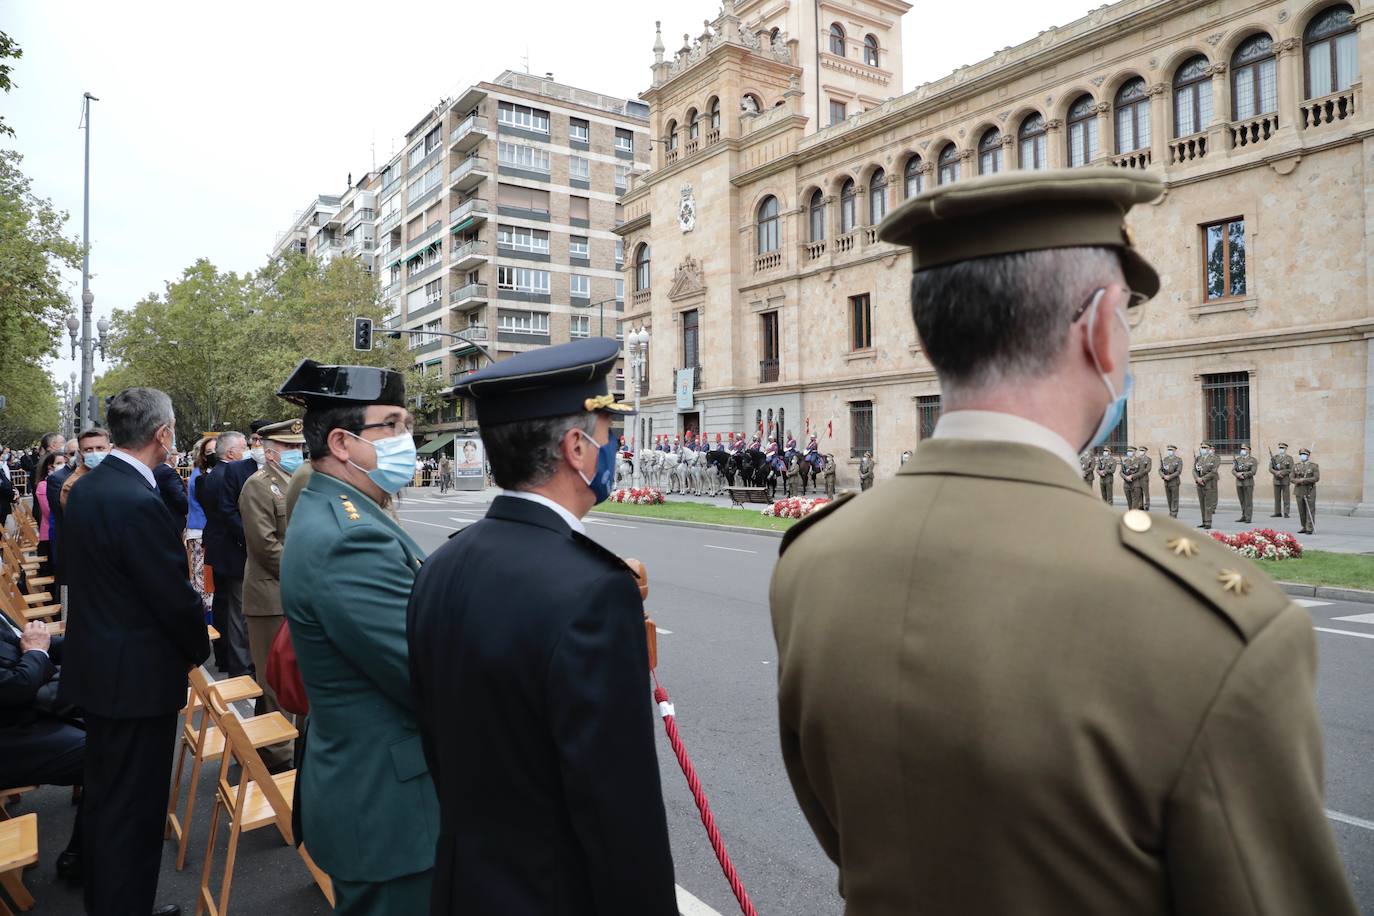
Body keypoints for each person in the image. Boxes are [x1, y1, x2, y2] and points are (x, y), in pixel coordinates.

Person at [769, 168, 1357, 914]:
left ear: (926, 336)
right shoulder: (1218, 630)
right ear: (1102, 330)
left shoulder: (811, 560)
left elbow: (837, 823)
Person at [408, 338, 676, 916]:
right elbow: (618, 811)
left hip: (463, 888)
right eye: (608, 436)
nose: (615, 451)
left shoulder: (440, 566)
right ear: (576, 449)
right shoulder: (595, 592)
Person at [277, 359, 437, 914]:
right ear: (343, 443)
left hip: (376, 794)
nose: (406, 439)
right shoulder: (350, 537)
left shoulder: (345, 510)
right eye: (391, 424)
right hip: (390, 812)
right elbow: (427, 675)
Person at [60, 387, 210, 916]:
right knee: (134, 812)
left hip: (103, 672)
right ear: (163, 433)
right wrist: (198, 649)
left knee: (108, 802)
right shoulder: (136, 500)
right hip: (136, 682)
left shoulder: (92, 488)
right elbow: (172, 599)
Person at [237, 418, 305, 771]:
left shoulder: (299, 482)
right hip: (270, 596)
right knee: (274, 681)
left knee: (293, 676)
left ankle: (264, 747)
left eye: (298, 447)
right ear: (269, 450)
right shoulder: (258, 486)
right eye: (289, 447)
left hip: (294, 593)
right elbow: (264, 545)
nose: (296, 453)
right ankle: (281, 759)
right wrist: (303, 573)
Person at [0, 617, 84, 881]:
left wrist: (96, 639)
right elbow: (14, 686)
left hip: (21, 713)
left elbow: (17, 643)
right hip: (10, 733)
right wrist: (37, 650)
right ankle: (87, 862)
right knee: (110, 754)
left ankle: (84, 855)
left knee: (113, 722)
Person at [199, 431, 255, 677]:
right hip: (233, 551)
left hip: (218, 550)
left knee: (224, 607)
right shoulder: (230, 475)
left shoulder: (211, 476)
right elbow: (231, 515)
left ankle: (224, 657)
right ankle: (240, 666)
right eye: (244, 447)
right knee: (237, 612)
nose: (249, 451)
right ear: (231, 453)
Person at [185, 437, 217, 621]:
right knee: (203, 582)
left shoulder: (199, 474)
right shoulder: (200, 477)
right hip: (200, 532)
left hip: (199, 531)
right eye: (209, 452)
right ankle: (204, 621)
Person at [60, 427, 112, 511]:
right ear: (80, 453)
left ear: (110, 449)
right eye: (88, 450)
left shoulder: (119, 473)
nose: (95, 453)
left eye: (100, 448)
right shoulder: (73, 485)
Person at [153, 450, 188, 527]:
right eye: (177, 455)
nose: (178, 458)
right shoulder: (169, 472)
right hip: (173, 517)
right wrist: (187, 508)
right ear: (171, 457)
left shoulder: (156, 469)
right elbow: (179, 496)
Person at [1294, 447, 1320, 535]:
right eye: (1301, 454)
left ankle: (1309, 528)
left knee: (1310, 509)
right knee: (1301, 510)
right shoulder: (1296, 466)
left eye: (1304, 454)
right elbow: (1291, 477)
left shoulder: (1313, 466)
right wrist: (1296, 481)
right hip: (1299, 490)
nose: (1303, 456)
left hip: (1310, 490)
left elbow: (1316, 478)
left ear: (1308, 456)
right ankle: (1304, 526)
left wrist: (1304, 480)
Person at [1194, 442, 1219, 530]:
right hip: (1199, 484)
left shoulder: (1214, 459)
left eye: (1205, 447)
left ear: (1209, 449)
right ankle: (1204, 521)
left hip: (1208, 484)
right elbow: (1194, 470)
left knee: (1208, 504)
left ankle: (1208, 522)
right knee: (1202, 504)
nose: (1203, 449)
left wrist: (1203, 479)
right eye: (1202, 447)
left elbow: (1213, 472)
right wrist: (1197, 478)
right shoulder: (1198, 458)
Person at [1232, 443, 1257, 524]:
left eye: (1245, 449)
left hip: (1248, 483)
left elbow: (1253, 471)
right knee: (1242, 500)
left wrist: (1243, 474)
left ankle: (1248, 517)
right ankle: (1244, 515)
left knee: (1248, 501)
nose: (1243, 450)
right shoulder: (1238, 460)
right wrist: (1237, 474)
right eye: (1242, 449)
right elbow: (1233, 470)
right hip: (1239, 482)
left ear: (1249, 450)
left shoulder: (1252, 460)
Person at [1270, 441, 1294, 518]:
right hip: (1276, 480)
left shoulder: (1289, 458)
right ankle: (1277, 512)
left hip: (1285, 479)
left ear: (1286, 449)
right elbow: (1270, 468)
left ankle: (1286, 512)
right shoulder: (1274, 458)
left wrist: (1282, 472)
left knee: (1286, 497)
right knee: (1277, 497)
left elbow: (1291, 469)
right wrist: (1276, 473)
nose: (1281, 449)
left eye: (1282, 448)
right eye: (1280, 448)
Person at [1160, 445, 1183, 518]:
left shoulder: (1178, 460)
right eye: (1169, 450)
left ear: (1174, 451)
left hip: (1174, 482)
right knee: (1169, 498)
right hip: (1166, 482)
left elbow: (1178, 471)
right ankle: (1171, 511)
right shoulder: (1165, 460)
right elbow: (1160, 470)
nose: (1170, 451)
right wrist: (1163, 476)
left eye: (1171, 450)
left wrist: (1170, 476)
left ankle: (1174, 512)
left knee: (1175, 498)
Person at [1136, 445, 1152, 511]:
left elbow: (1148, 469)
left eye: (1142, 450)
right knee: (1139, 492)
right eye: (1140, 450)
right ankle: (1140, 505)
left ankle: (1147, 505)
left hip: (1144, 478)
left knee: (1146, 492)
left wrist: (1140, 473)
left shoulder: (1148, 459)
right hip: (1138, 478)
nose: (1141, 451)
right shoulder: (1137, 459)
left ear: (1145, 451)